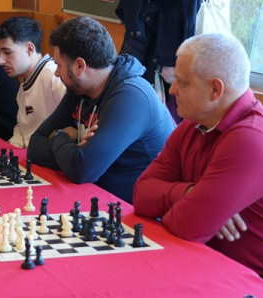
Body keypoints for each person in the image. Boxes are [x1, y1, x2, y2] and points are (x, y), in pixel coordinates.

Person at [133, 33, 263, 297]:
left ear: (215, 89)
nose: (171, 90)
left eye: (181, 83)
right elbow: (141, 194)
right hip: (222, 269)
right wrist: (189, 194)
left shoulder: (253, 137)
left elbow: (187, 225)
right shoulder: (192, 125)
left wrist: (194, 208)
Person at [27, 16, 174, 203]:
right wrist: (75, 151)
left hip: (134, 212)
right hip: (95, 198)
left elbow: (82, 170)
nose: (56, 73)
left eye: (59, 65)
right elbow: (35, 145)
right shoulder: (80, 89)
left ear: (79, 66)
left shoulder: (131, 95)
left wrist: (60, 136)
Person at [0, 16, 66, 148]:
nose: (0, 61)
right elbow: (22, 127)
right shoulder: (25, 83)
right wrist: (12, 149)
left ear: (30, 49)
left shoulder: (54, 76)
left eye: (7, 52)